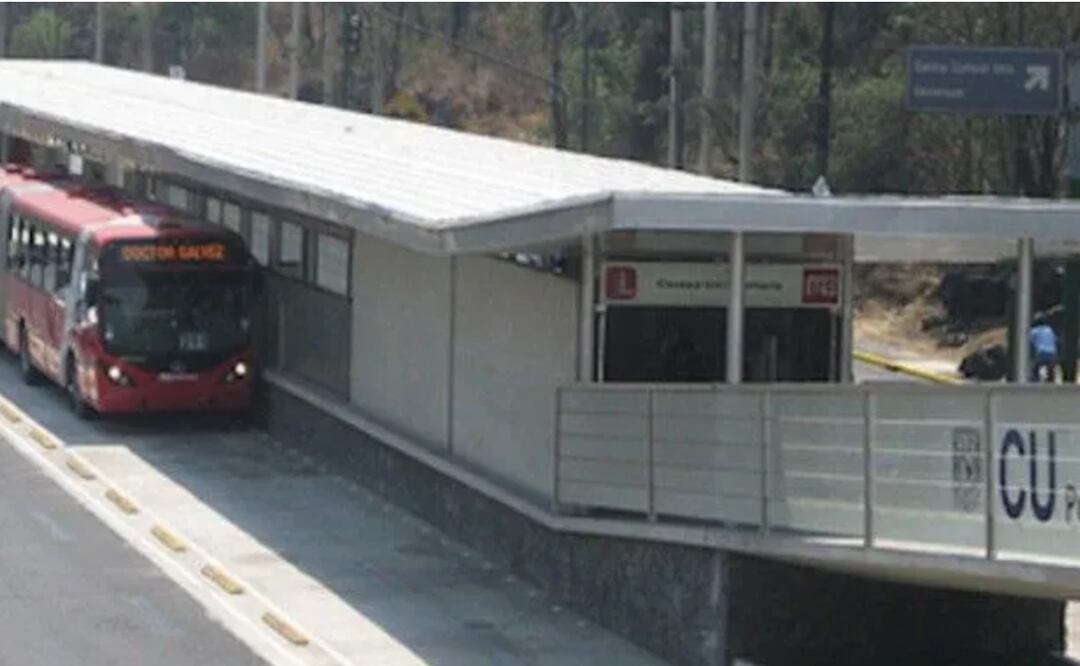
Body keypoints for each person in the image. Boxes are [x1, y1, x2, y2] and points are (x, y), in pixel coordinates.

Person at [1030, 315, 1058, 383]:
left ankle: (1035, 380)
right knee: (1051, 369)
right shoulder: (1049, 330)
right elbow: (1055, 340)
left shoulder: (1034, 331)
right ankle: (1051, 381)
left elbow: (1031, 341)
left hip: (1041, 352)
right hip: (1052, 352)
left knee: (1035, 368)